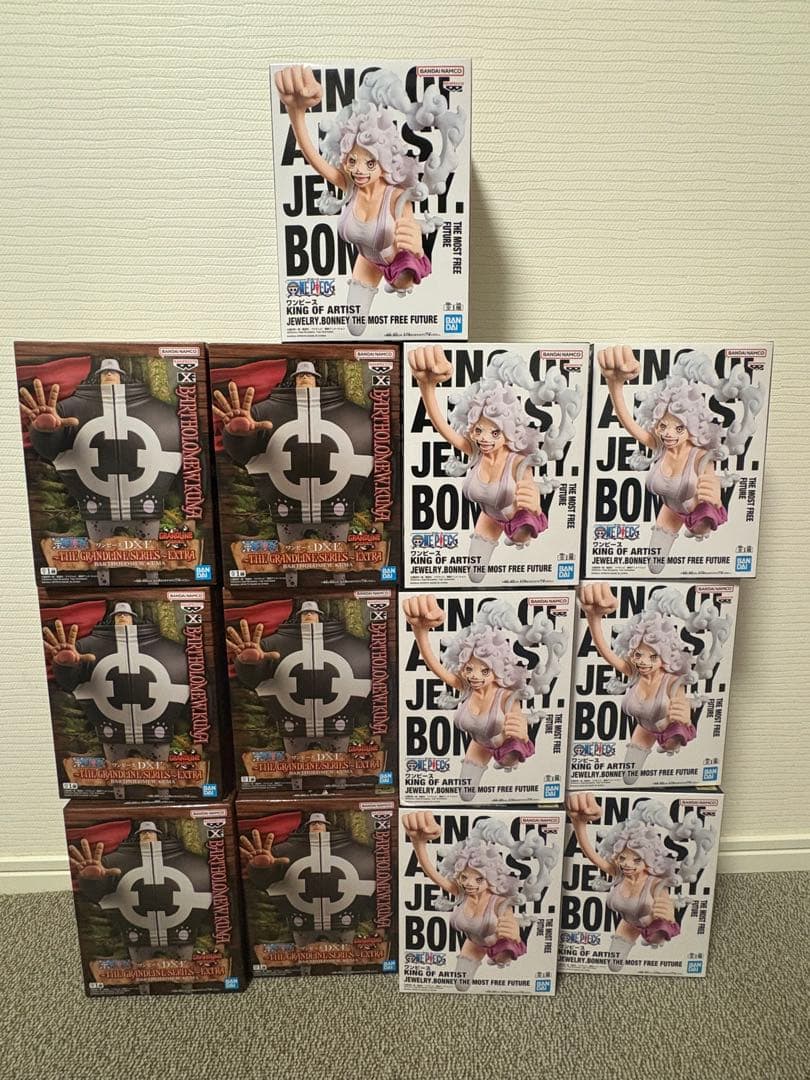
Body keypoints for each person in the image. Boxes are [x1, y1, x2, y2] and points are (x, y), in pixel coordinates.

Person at [274, 66, 465, 335]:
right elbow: (314, 159)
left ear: (385, 161)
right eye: (352, 161)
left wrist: (416, 247)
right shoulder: (350, 185)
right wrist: (295, 113)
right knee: (354, 327)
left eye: (370, 163)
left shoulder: (396, 195)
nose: (359, 170)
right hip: (367, 260)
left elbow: (410, 237)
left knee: (403, 280)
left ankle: (397, 284)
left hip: (397, 263)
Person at [20, 357, 183, 584]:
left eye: (112, 372)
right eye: (105, 372)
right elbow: (50, 448)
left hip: (146, 506)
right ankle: (104, 584)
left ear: (123, 377)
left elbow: (188, 451)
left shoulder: (159, 410)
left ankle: (153, 583)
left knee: (150, 561)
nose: (109, 375)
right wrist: (43, 431)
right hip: (96, 508)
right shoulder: (69, 409)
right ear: (96, 377)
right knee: (101, 561)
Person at [213, 359, 374, 586]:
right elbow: (244, 452)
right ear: (293, 379)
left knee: (338, 564)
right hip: (287, 510)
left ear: (318, 380)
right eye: (300, 375)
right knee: (290, 561)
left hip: (337, 509)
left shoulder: (353, 414)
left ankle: (339, 584)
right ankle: (292, 584)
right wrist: (236, 434)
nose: (305, 378)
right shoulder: (264, 412)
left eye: (309, 375)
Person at [597, 346, 729, 574]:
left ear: (692, 427)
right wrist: (614, 385)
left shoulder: (700, 456)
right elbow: (628, 423)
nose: (668, 434)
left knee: (701, 528)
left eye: (678, 428)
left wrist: (716, 498)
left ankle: (698, 530)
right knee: (654, 566)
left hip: (697, 514)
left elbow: (711, 485)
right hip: (670, 510)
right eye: (663, 425)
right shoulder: (659, 446)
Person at [402, 811, 556, 992]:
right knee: (460, 985)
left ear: (491, 879)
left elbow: (511, 926)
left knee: (503, 971)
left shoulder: (498, 902)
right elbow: (433, 874)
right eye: (464, 877)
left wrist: (514, 935)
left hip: (498, 947)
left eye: (478, 879)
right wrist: (418, 843)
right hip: (473, 944)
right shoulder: (462, 892)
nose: (469, 884)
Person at [402, 594, 535, 801]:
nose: (474, 676)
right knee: (465, 793)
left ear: (498, 670)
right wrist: (420, 632)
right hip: (480, 744)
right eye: (469, 669)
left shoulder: (506, 696)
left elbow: (519, 726)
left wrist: (523, 734)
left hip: (505, 747)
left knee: (509, 760)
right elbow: (436, 667)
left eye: (484, 671)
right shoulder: (467, 687)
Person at [227, 601, 371, 788]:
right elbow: (253, 677)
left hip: (338, 725)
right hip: (292, 725)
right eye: (305, 613)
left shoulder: (351, 643)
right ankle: (296, 789)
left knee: (339, 768)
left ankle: (341, 788)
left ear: (321, 616)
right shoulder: (273, 644)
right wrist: (247, 663)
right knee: (294, 768)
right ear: (298, 617)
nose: (309, 615)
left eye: (313, 613)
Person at [566, 793, 715, 972]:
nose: (627, 864)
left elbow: (666, 909)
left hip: (653, 928)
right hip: (628, 924)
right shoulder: (619, 873)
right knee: (614, 965)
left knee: (656, 943)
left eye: (636, 860)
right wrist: (578, 824)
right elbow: (592, 855)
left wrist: (669, 916)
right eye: (622, 858)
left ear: (649, 860)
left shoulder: (655, 884)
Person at [45, 602, 190, 785]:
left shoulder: (172, 649)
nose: (122, 617)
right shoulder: (86, 647)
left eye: (125, 614)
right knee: (117, 780)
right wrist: (64, 665)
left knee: (161, 782)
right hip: (111, 734)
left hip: (157, 733)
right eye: (119, 614)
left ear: (134, 618)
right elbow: (69, 682)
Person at [577, 583, 696, 785]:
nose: (643, 662)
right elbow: (605, 651)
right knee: (629, 777)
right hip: (644, 728)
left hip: (670, 732)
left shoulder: (672, 681)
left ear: (665, 657)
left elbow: (683, 708)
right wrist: (593, 618)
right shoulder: (635, 673)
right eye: (638, 654)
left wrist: (685, 719)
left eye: (653, 657)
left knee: (667, 752)